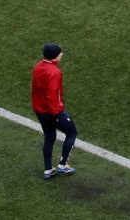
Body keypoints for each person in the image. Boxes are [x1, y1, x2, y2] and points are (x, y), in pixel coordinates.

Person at [31, 43, 77, 181]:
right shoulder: (54, 72)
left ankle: (48, 170)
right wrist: (57, 112)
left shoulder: (38, 66)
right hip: (52, 111)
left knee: (49, 137)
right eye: (60, 53)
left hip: (39, 110)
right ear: (55, 56)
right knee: (72, 133)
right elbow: (52, 94)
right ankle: (62, 165)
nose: (62, 54)